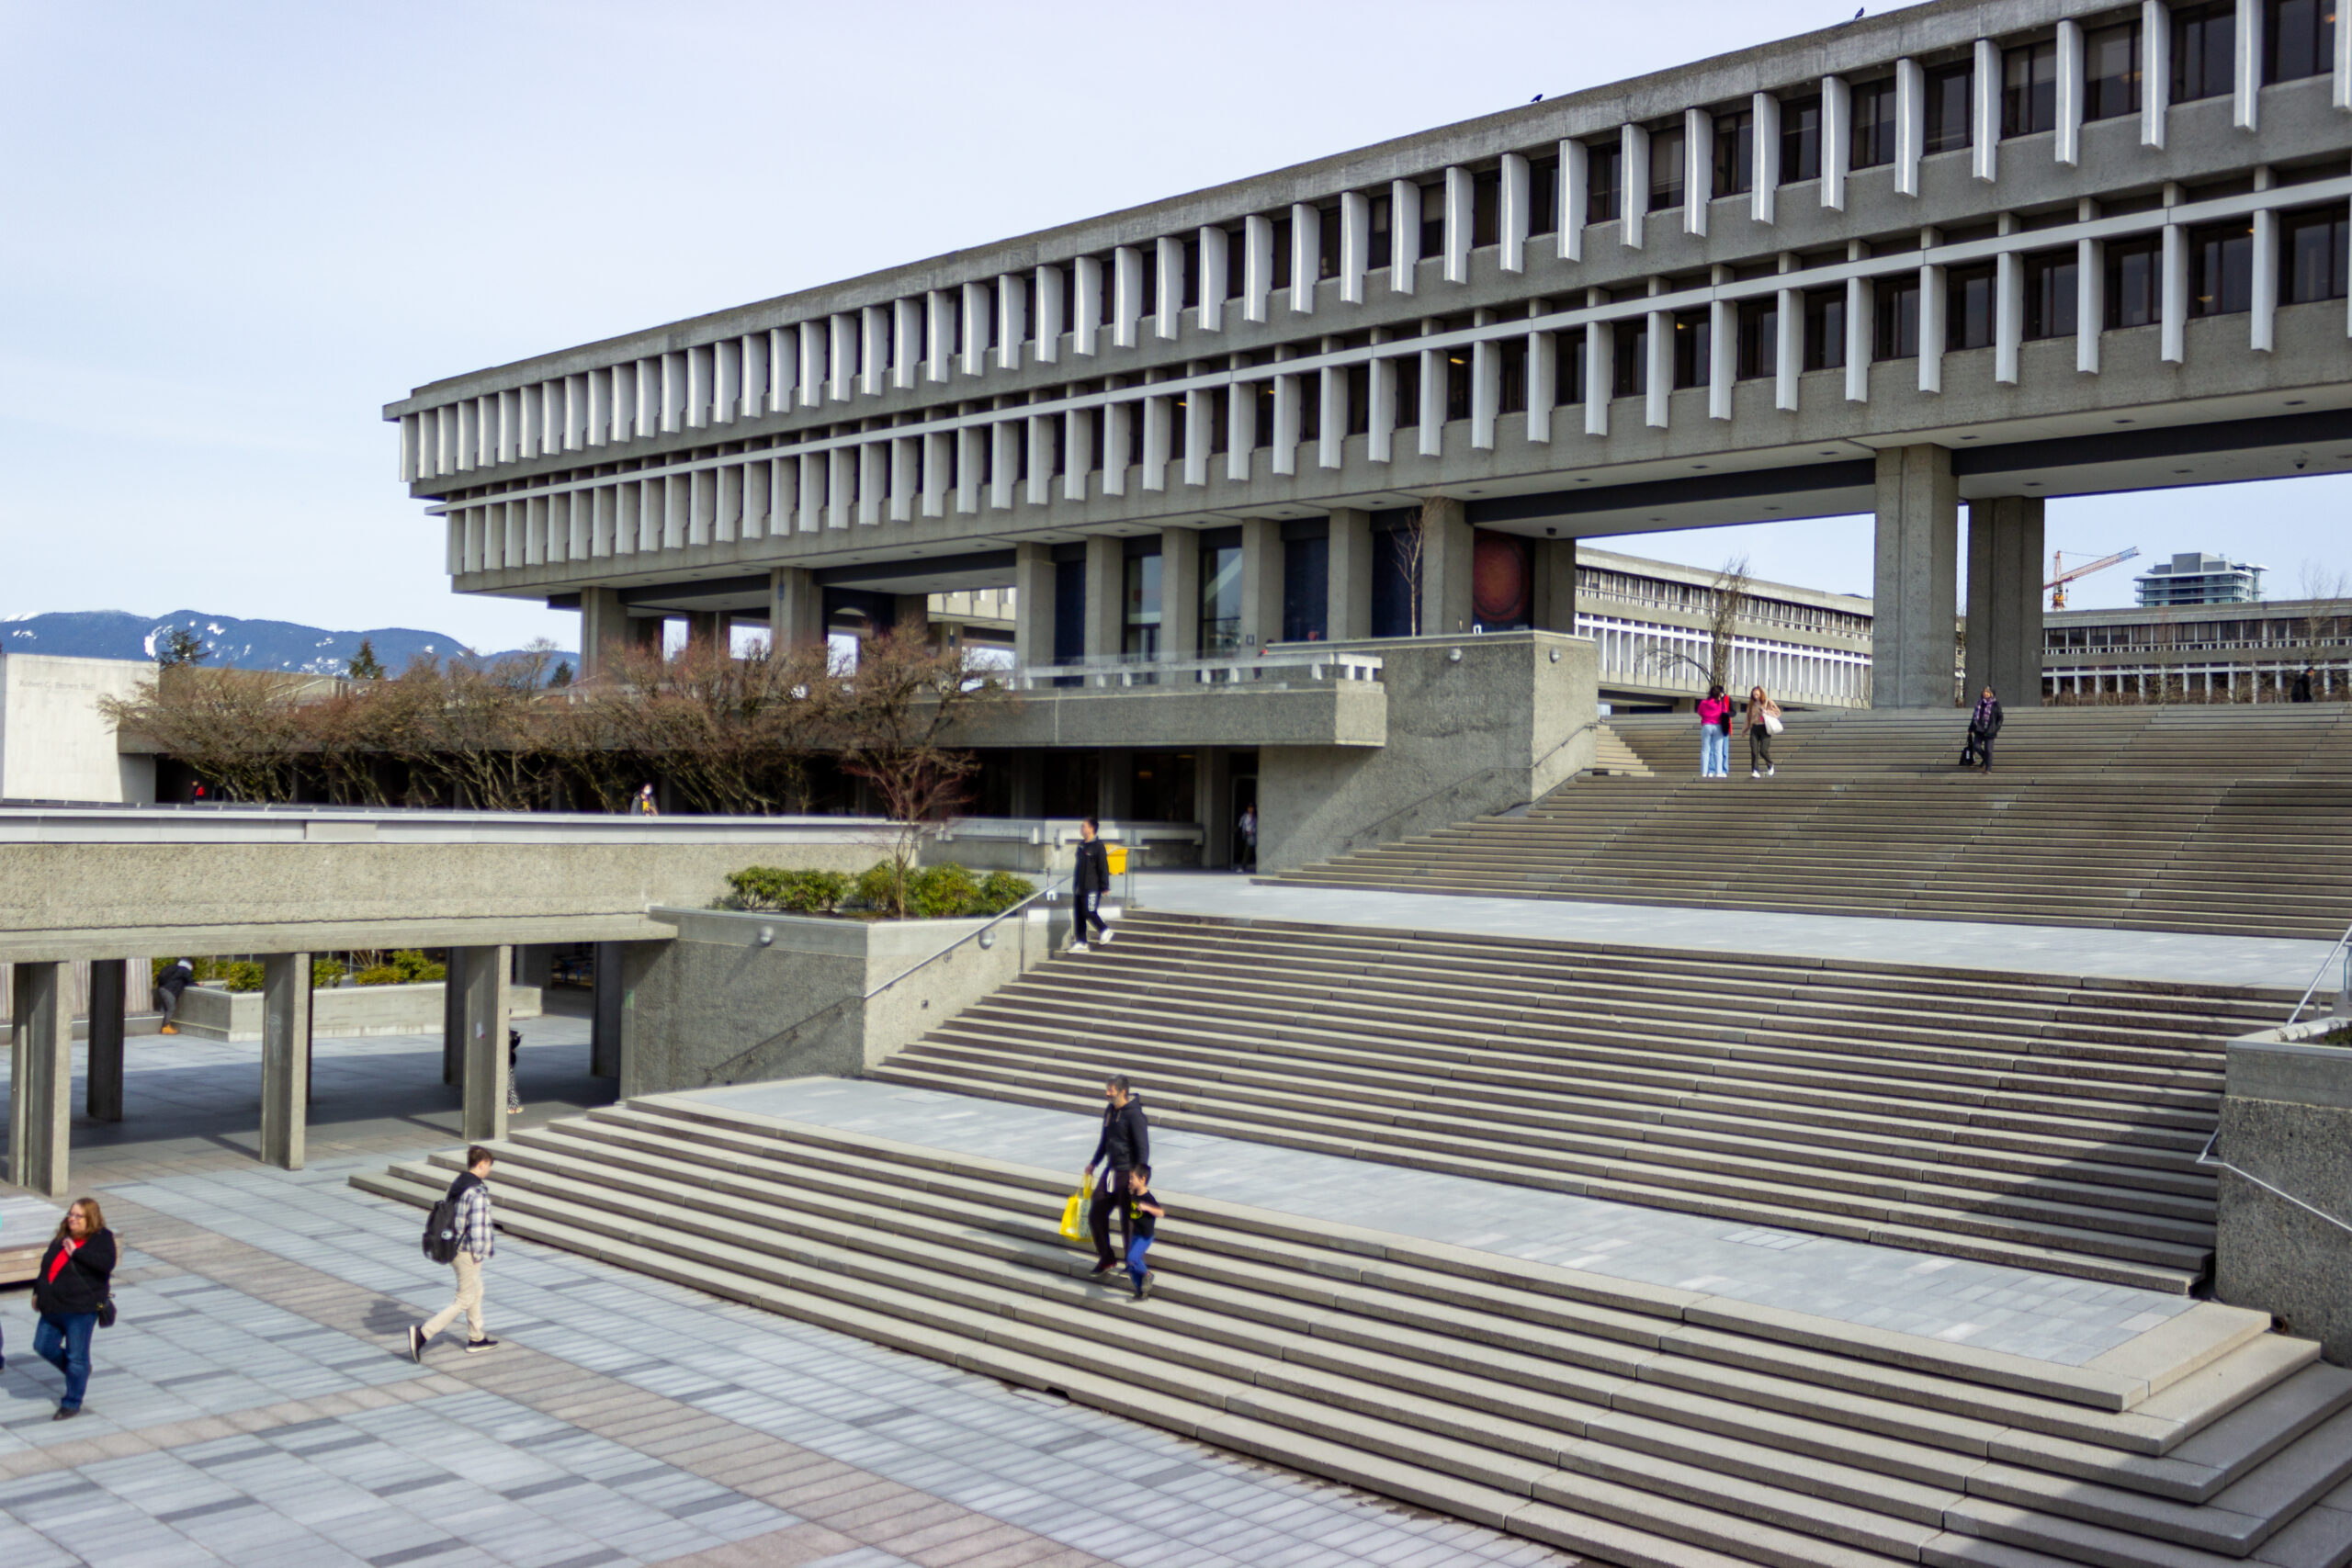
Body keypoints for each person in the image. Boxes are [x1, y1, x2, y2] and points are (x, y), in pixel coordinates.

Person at [409, 1146, 500, 1360]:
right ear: (482, 1163)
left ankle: (476, 1338)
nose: (489, 1170)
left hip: (454, 1245)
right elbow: (476, 1227)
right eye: (489, 1166)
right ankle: (423, 1334)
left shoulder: (460, 1183)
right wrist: (479, 1253)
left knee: (476, 1290)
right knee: (463, 1299)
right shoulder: (476, 1192)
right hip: (467, 1251)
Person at [32, 1198, 116, 1421]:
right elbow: (47, 1265)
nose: (72, 1219)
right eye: (71, 1214)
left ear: (91, 1219)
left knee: (77, 1357)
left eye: (78, 1216)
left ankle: (72, 1402)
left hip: (80, 1310)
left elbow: (105, 1265)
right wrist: (37, 1292)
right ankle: (77, 1374)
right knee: (42, 1346)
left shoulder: (102, 1239)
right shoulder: (62, 1236)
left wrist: (76, 1254)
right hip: (52, 1307)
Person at [1082, 1076, 1148, 1283]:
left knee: (1127, 1223)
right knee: (1095, 1214)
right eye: (1107, 1089)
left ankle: (1132, 1264)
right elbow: (1104, 1141)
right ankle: (1107, 1258)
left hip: (1128, 1174)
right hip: (1111, 1172)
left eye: (1110, 1090)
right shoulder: (1110, 1111)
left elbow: (1143, 1150)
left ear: (1122, 1092)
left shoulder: (1135, 1116)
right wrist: (1094, 1163)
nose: (1107, 1093)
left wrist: (1139, 1179)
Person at [1123, 1167, 1166, 1302]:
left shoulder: (1148, 1197)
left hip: (1145, 1236)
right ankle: (1141, 1290)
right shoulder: (1133, 1193)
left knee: (1132, 1258)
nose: (1130, 1180)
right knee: (1131, 1265)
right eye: (1130, 1178)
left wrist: (1147, 1207)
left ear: (1143, 1179)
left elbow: (1161, 1213)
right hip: (1136, 1234)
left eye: (1132, 1178)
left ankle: (1147, 1274)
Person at [1069, 818, 1113, 954]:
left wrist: (1104, 886)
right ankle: (1081, 942)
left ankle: (1104, 929)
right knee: (1079, 914)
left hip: (1092, 887)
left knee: (1089, 911)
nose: (1081, 829)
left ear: (1091, 829)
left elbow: (1103, 867)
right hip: (1079, 887)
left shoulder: (1098, 846)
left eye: (1084, 826)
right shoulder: (1082, 845)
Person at [1962, 685, 2004, 772]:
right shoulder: (1979, 703)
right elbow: (1975, 717)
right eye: (1984, 692)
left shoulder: (1996, 704)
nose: (1985, 693)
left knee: (1988, 750)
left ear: (1991, 694)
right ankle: (1986, 758)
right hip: (1979, 730)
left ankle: (1988, 768)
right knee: (1976, 746)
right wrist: (1970, 729)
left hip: (1990, 730)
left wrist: (1996, 728)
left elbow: (2000, 717)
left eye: (1988, 692)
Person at [1695, 684, 1732, 779]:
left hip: (1706, 725)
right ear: (1719, 694)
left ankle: (1704, 772)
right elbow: (1724, 713)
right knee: (1718, 750)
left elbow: (1700, 712)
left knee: (1705, 750)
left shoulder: (1703, 703)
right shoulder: (1721, 703)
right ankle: (1718, 772)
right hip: (1718, 725)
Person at [1746, 686, 1781, 779]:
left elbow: (1778, 713)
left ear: (1761, 694)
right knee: (1754, 750)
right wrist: (1744, 730)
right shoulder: (1751, 704)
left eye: (1757, 694)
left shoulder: (1768, 702)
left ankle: (1770, 765)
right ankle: (1755, 770)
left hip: (1765, 728)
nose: (1755, 696)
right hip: (1754, 728)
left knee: (1763, 751)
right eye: (1754, 695)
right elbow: (1748, 718)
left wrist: (1767, 712)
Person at [153, 957, 195, 1035]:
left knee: (164, 1008)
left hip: (162, 989)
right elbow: (190, 982)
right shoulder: (185, 970)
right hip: (170, 991)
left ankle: (162, 1026)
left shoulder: (173, 968)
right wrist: (198, 984)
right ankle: (166, 1027)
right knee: (171, 1008)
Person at [1238, 805, 1258, 872]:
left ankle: (1244, 866)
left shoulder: (1255, 817)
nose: (1250, 809)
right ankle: (1243, 866)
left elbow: (1257, 826)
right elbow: (1240, 824)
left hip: (1252, 836)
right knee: (1247, 851)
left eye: (1251, 808)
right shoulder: (1245, 816)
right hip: (1245, 835)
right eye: (1249, 808)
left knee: (1248, 851)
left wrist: (1252, 831)